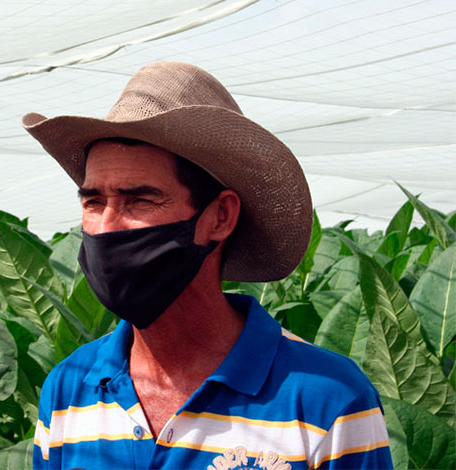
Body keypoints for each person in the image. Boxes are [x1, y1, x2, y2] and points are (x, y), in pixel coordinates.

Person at [22, 62, 392, 470]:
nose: (107, 227)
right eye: (93, 202)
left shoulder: (329, 399)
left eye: (140, 200)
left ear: (220, 217)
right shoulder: (68, 388)